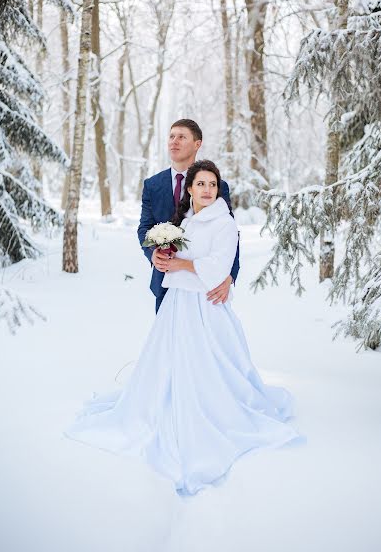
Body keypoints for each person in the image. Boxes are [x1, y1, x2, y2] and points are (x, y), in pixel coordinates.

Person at [64, 159, 305, 497]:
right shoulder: (186, 221)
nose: (208, 190)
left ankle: (210, 410)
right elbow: (161, 243)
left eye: (213, 184)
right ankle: (165, 401)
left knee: (210, 361)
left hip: (205, 305)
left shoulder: (224, 222)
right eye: (201, 184)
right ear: (190, 189)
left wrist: (180, 264)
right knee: (167, 358)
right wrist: (162, 257)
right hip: (178, 302)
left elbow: (218, 264)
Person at [137, 118, 239, 313]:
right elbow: (144, 228)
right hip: (165, 278)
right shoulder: (152, 185)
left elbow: (231, 234)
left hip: (206, 286)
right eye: (171, 136)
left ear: (197, 144)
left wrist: (229, 275)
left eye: (181, 137)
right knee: (167, 341)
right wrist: (153, 254)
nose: (174, 141)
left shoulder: (216, 186)